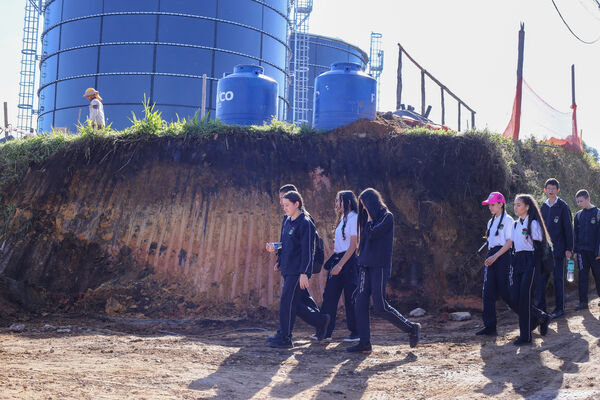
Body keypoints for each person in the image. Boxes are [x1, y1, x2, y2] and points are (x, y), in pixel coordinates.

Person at [348, 188, 420, 353]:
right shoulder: (367, 219)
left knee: (380, 306)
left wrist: (369, 219)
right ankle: (365, 343)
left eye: (365, 205)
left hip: (379, 266)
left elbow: (374, 234)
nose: (363, 209)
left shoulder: (387, 217)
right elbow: (365, 243)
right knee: (359, 303)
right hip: (365, 265)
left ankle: (411, 328)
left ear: (371, 202)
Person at [266, 191, 330, 349]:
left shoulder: (305, 223)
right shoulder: (288, 221)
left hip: (297, 271)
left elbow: (308, 251)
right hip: (288, 269)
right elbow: (287, 244)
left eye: (287, 205)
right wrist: (276, 250)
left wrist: (304, 274)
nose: (284, 208)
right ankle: (321, 321)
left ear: (297, 204)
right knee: (294, 304)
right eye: (283, 205)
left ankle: (285, 338)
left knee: (286, 302)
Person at [310, 191, 359, 342]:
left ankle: (356, 333)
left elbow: (352, 247)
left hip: (349, 261)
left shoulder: (354, 218)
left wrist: (340, 265)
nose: (336, 204)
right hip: (339, 258)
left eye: (339, 201)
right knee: (329, 296)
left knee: (351, 297)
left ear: (348, 202)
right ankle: (325, 332)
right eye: (336, 201)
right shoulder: (342, 219)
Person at [511, 194, 552, 346]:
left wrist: (537, 266)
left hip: (531, 261)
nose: (516, 208)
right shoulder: (515, 224)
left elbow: (540, 246)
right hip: (518, 261)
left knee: (525, 297)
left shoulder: (533, 223)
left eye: (519, 205)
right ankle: (542, 316)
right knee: (515, 297)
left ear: (527, 207)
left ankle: (526, 336)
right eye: (515, 205)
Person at [477, 192, 515, 336]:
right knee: (487, 292)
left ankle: (534, 316)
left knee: (506, 293)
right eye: (489, 205)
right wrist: (490, 256)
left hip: (503, 256)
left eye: (493, 204)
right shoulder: (491, 222)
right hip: (492, 254)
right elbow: (491, 242)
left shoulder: (509, 220)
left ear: (501, 204)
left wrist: (495, 256)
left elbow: (509, 242)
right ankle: (490, 327)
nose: (490, 207)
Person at [537, 178, 573, 319]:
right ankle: (541, 309)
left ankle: (559, 309)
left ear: (558, 190)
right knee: (542, 280)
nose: (551, 191)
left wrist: (569, 248)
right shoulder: (543, 207)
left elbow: (568, 229)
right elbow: (539, 228)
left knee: (558, 279)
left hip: (559, 250)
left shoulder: (563, 206)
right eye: (548, 188)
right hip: (545, 251)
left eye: (553, 188)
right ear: (545, 190)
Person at [573, 189, 600, 310]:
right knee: (583, 277)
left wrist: (599, 252)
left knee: (598, 275)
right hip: (582, 252)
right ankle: (583, 302)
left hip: (595, 252)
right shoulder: (578, 215)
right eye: (577, 202)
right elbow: (575, 234)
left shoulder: (598, 213)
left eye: (581, 201)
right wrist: (575, 251)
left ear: (588, 199)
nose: (579, 204)